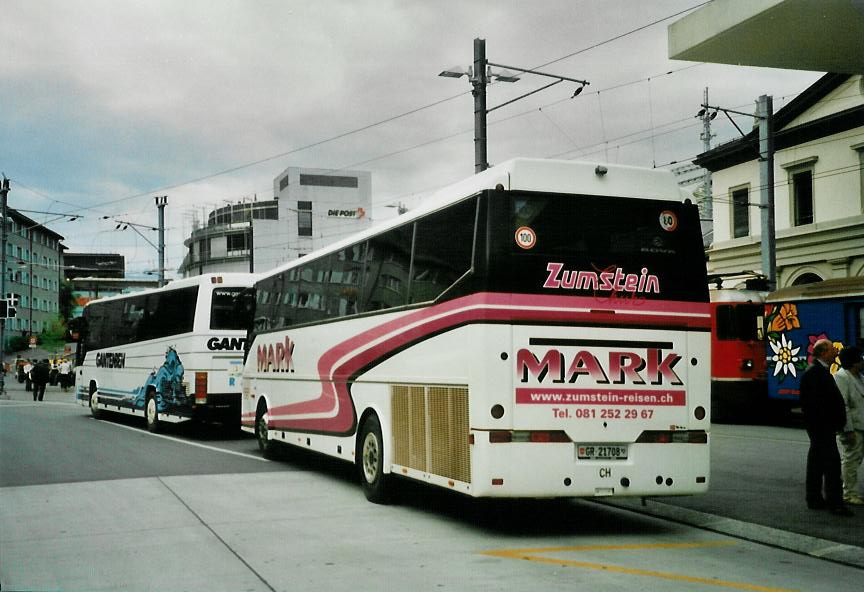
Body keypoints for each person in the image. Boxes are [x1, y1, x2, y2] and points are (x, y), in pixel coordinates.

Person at [800, 339, 851, 516]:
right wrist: (831, 422)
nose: (836, 352)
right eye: (831, 349)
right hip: (822, 428)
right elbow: (815, 404)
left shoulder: (818, 372)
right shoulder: (816, 374)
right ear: (823, 352)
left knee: (816, 463)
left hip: (819, 428)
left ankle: (814, 498)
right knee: (832, 465)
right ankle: (834, 502)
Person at [834, 345, 864, 505]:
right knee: (851, 459)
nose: (863, 361)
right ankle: (849, 493)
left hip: (862, 425)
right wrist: (848, 429)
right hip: (853, 427)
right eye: (860, 358)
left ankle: (852, 491)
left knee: (856, 459)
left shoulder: (859, 377)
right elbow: (843, 405)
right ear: (854, 362)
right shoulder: (842, 377)